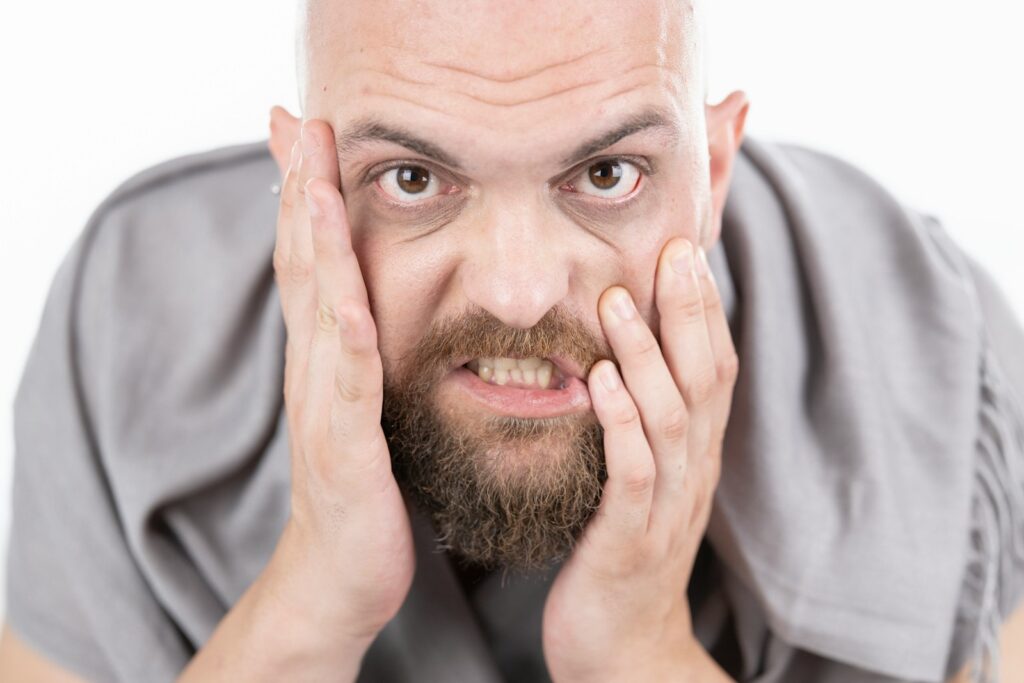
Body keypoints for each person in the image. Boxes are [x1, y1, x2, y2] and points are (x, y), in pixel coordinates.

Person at [3, 1, 1024, 681]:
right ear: (306, 175)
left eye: (608, 173)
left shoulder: (935, 353)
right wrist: (309, 601)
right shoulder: (129, 317)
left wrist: (636, 645)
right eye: (412, 179)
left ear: (710, 173)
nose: (520, 291)